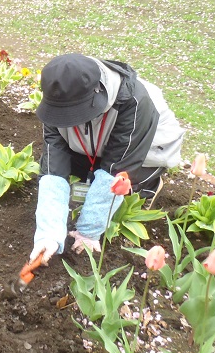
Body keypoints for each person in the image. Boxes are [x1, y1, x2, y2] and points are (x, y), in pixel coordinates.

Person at [30, 54, 184, 266]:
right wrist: (48, 235)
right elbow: (53, 169)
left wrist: (88, 232)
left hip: (145, 152)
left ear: (98, 93)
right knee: (68, 165)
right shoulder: (58, 102)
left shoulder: (136, 101)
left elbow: (118, 168)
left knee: (124, 181)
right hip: (96, 147)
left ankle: (148, 186)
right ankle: (92, 181)